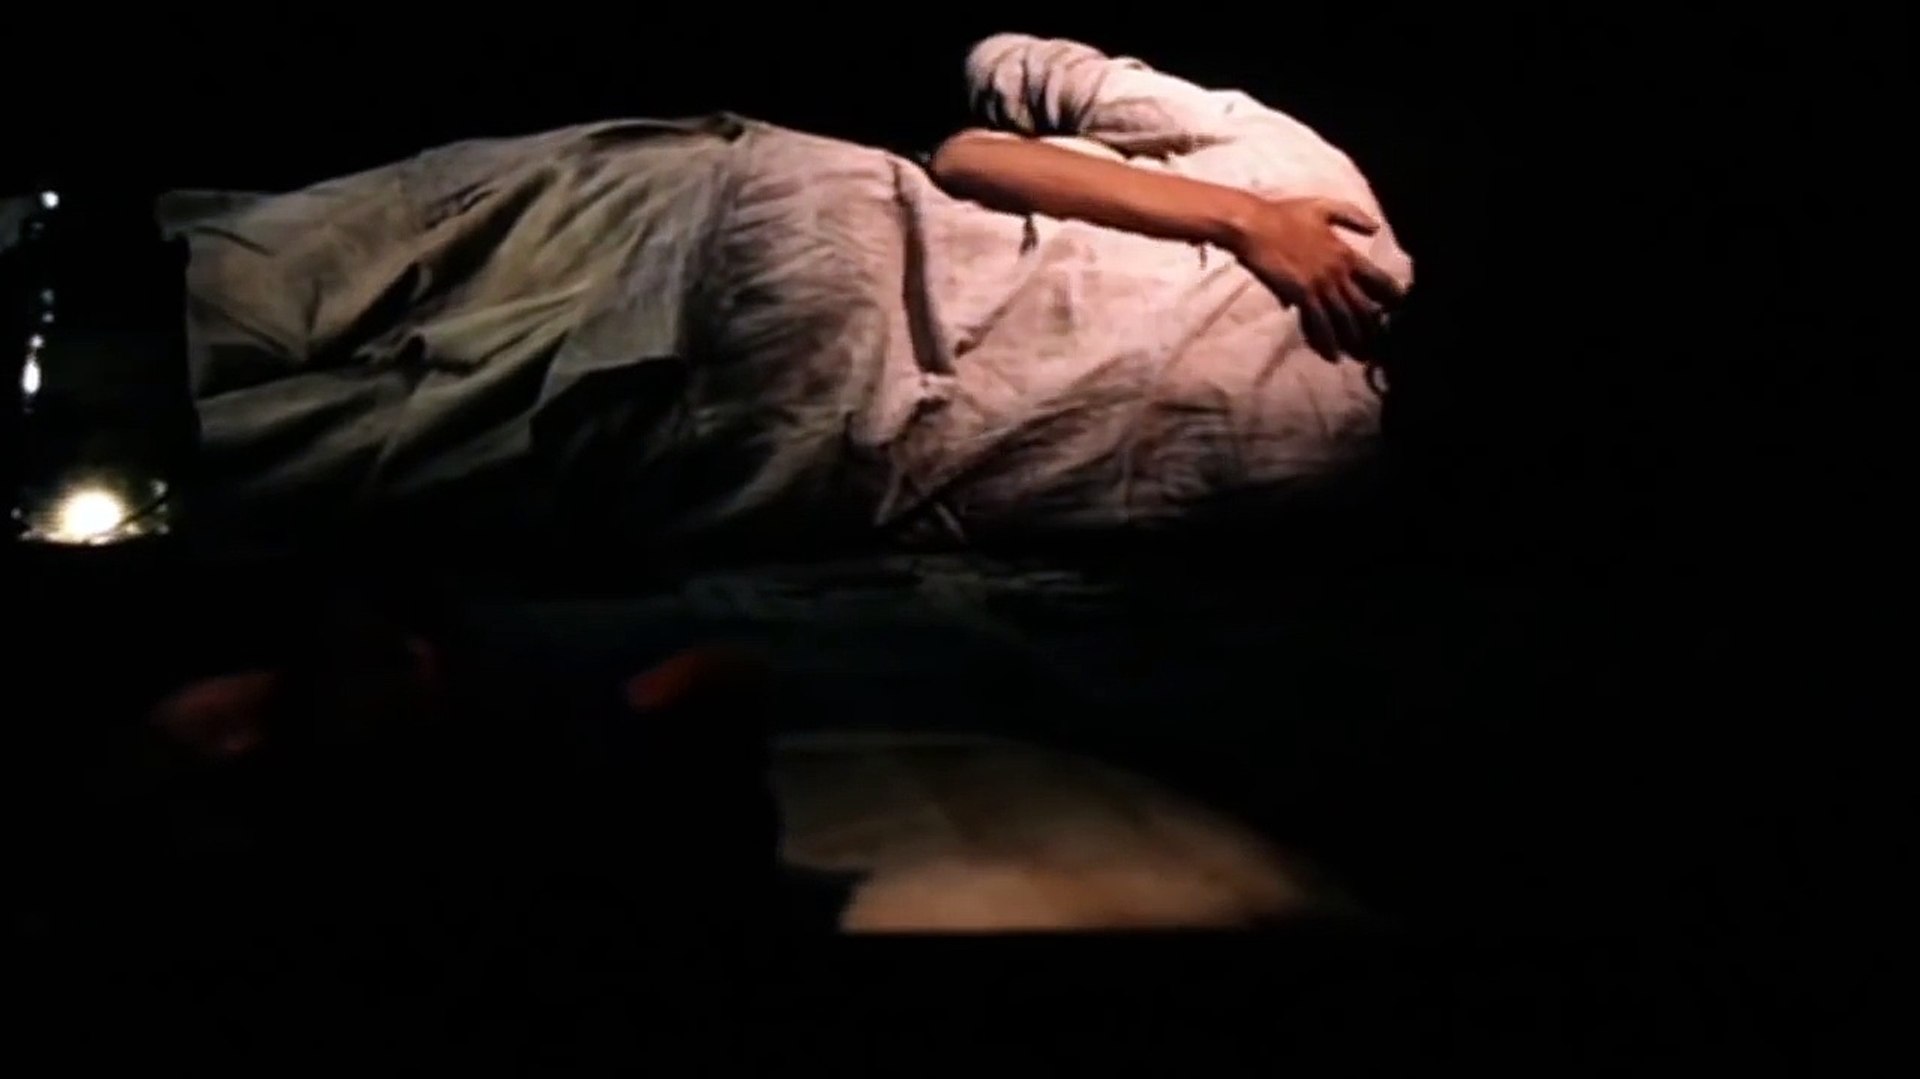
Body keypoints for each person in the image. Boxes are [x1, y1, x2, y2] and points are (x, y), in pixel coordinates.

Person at [168, 33, 1412, 555]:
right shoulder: (1325, 464)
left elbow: (976, 135)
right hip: (791, 420)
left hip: (788, 249)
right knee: (301, 438)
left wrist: (1239, 215)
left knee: (285, 276)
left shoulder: (1314, 195)